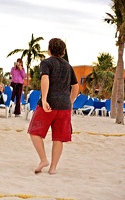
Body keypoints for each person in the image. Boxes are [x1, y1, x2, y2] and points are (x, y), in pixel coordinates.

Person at [27, 38, 79, 175]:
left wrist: (44, 99)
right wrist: (71, 101)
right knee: (58, 138)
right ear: (63, 52)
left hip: (49, 104)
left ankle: (43, 160)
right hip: (64, 106)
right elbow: (75, 86)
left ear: (49, 50)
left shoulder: (46, 63)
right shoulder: (68, 66)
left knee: (34, 131)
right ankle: (53, 168)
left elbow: (45, 78)